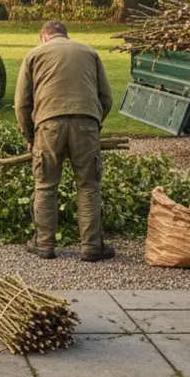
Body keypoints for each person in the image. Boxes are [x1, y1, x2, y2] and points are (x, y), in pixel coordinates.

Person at [14, 20, 114, 261]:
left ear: (44, 37)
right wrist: (92, 126)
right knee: (89, 186)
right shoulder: (89, 52)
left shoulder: (34, 55)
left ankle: (44, 244)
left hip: (48, 125)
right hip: (86, 122)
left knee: (45, 185)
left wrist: (31, 136)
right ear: (65, 36)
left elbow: (21, 104)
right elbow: (106, 98)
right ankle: (92, 247)